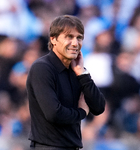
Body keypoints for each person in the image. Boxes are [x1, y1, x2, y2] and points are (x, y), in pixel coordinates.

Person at [26, 15, 106, 150]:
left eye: (79, 37)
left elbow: (99, 107)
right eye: (69, 37)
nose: (75, 43)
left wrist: (82, 73)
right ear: (53, 39)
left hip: (72, 146)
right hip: (48, 147)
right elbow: (54, 113)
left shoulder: (78, 70)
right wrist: (81, 113)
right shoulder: (42, 68)